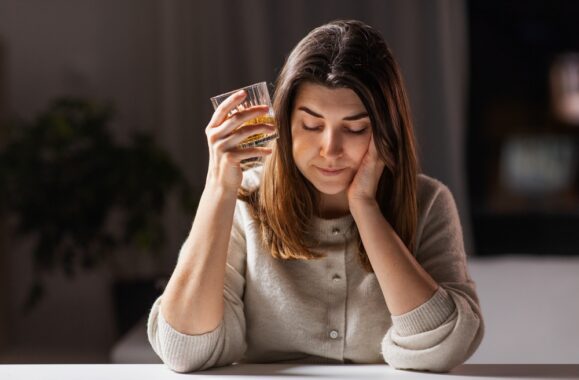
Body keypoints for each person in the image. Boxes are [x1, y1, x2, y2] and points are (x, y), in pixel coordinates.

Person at [147, 19, 483, 373]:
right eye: (311, 125)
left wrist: (365, 208)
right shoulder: (246, 199)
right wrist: (219, 186)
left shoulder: (428, 202)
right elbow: (183, 350)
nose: (330, 149)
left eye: (355, 128)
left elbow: (443, 346)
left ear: (387, 129)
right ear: (284, 123)